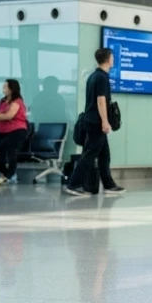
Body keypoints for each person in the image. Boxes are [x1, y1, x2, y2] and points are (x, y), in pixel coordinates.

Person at [65, 48, 125, 197]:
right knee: (89, 154)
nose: (113, 59)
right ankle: (74, 184)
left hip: (91, 120)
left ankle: (109, 185)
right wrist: (105, 121)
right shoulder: (102, 78)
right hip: (96, 122)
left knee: (105, 155)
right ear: (107, 59)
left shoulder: (94, 76)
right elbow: (101, 100)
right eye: (112, 57)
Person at [0, 79, 29, 185]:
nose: (3, 88)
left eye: (5, 86)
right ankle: (7, 172)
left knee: (11, 151)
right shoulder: (2, 101)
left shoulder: (17, 102)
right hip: (1, 131)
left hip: (16, 131)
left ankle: (10, 174)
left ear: (12, 89)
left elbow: (9, 115)